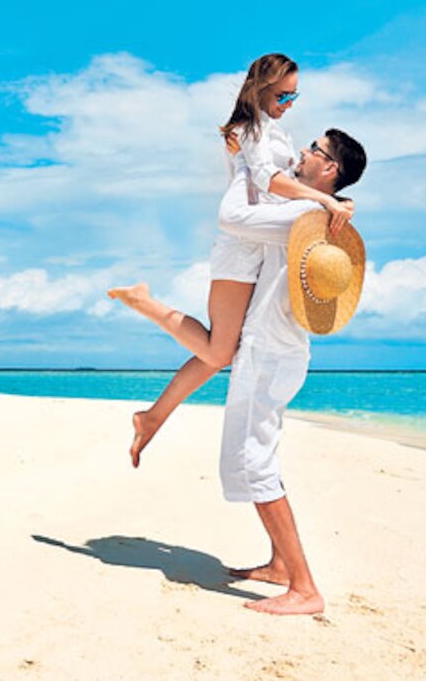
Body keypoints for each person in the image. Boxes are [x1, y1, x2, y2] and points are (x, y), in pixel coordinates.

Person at [117, 129, 368, 615]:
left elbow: (234, 218)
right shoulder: (314, 216)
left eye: (314, 150)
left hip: (269, 353)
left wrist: (239, 165)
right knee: (259, 452)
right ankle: (279, 565)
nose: (303, 154)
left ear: (330, 169)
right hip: (282, 351)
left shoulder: (301, 215)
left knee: (254, 464)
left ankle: (304, 588)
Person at [108, 54, 352, 459]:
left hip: (262, 250)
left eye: (295, 94)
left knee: (220, 351)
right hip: (241, 248)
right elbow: (267, 181)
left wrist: (338, 199)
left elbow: (288, 182)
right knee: (220, 352)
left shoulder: (275, 133)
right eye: (283, 94)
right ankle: (143, 302)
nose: (290, 102)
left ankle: (151, 419)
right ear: (261, 87)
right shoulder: (250, 128)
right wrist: (324, 199)